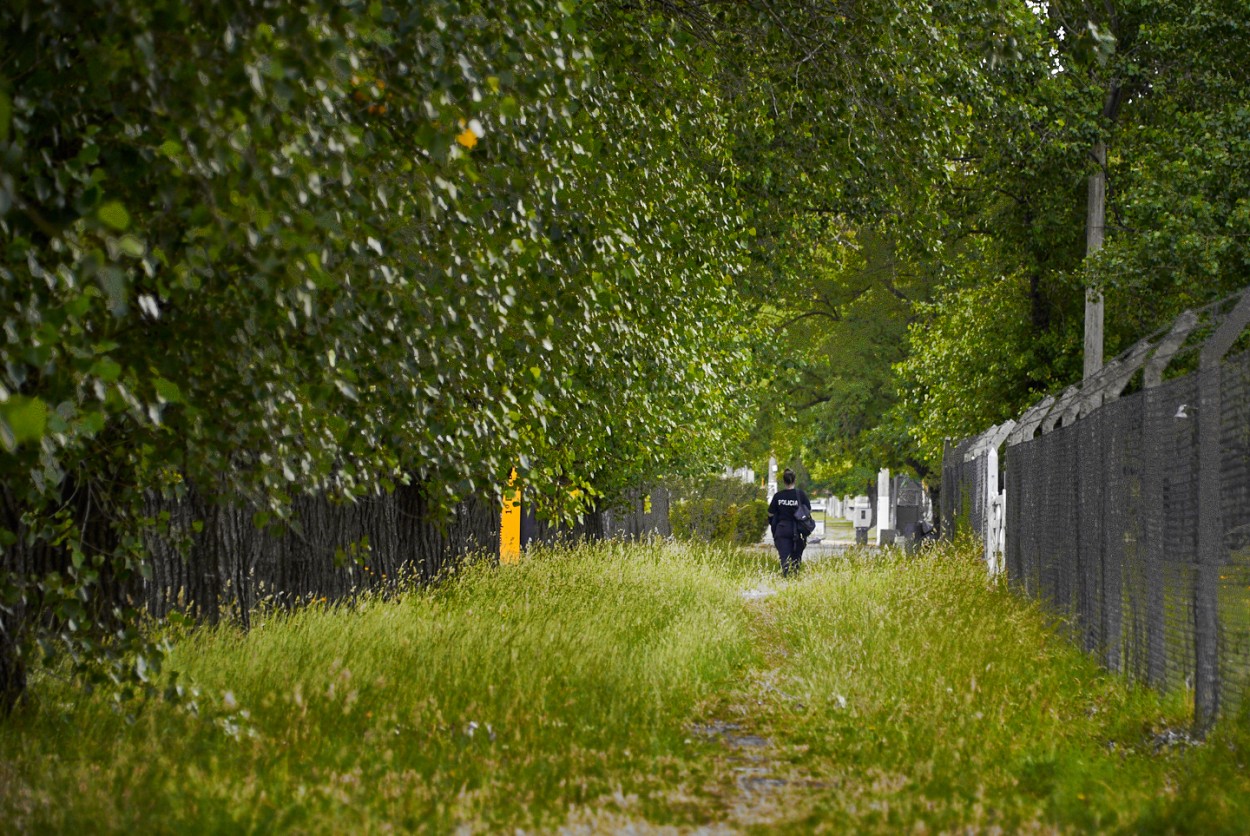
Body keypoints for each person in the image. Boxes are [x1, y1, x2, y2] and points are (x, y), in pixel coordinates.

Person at [768, 468, 810, 576]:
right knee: (796, 557)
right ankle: (794, 577)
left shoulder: (778, 496)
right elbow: (808, 511)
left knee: (784, 557)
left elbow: (770, 513)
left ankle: (786, 576)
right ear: (794, 480)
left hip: (782, 529)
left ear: (783, 481)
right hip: (798, 530)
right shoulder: (801, 494)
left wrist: (773, 524)